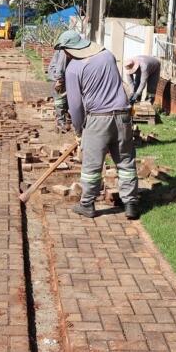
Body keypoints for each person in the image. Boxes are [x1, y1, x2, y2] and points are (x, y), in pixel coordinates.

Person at [54, 30, 139, 219]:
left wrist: (78, 130)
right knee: (125, 162)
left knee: (92, 166)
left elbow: (75, 106)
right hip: (123, 116)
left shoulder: (73, 69)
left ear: (68, 51)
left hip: (98, 119)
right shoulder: (107, 55)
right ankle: (131, 204)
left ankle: (87, 204)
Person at [46, 48, 69, 131]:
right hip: (58, 77)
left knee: (60, 99)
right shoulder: (64, 50)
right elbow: (60, 65)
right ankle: (61, 122)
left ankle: (62, 118)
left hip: (57, 76)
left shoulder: (64, 48)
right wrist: (59, 80)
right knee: (60, 99)